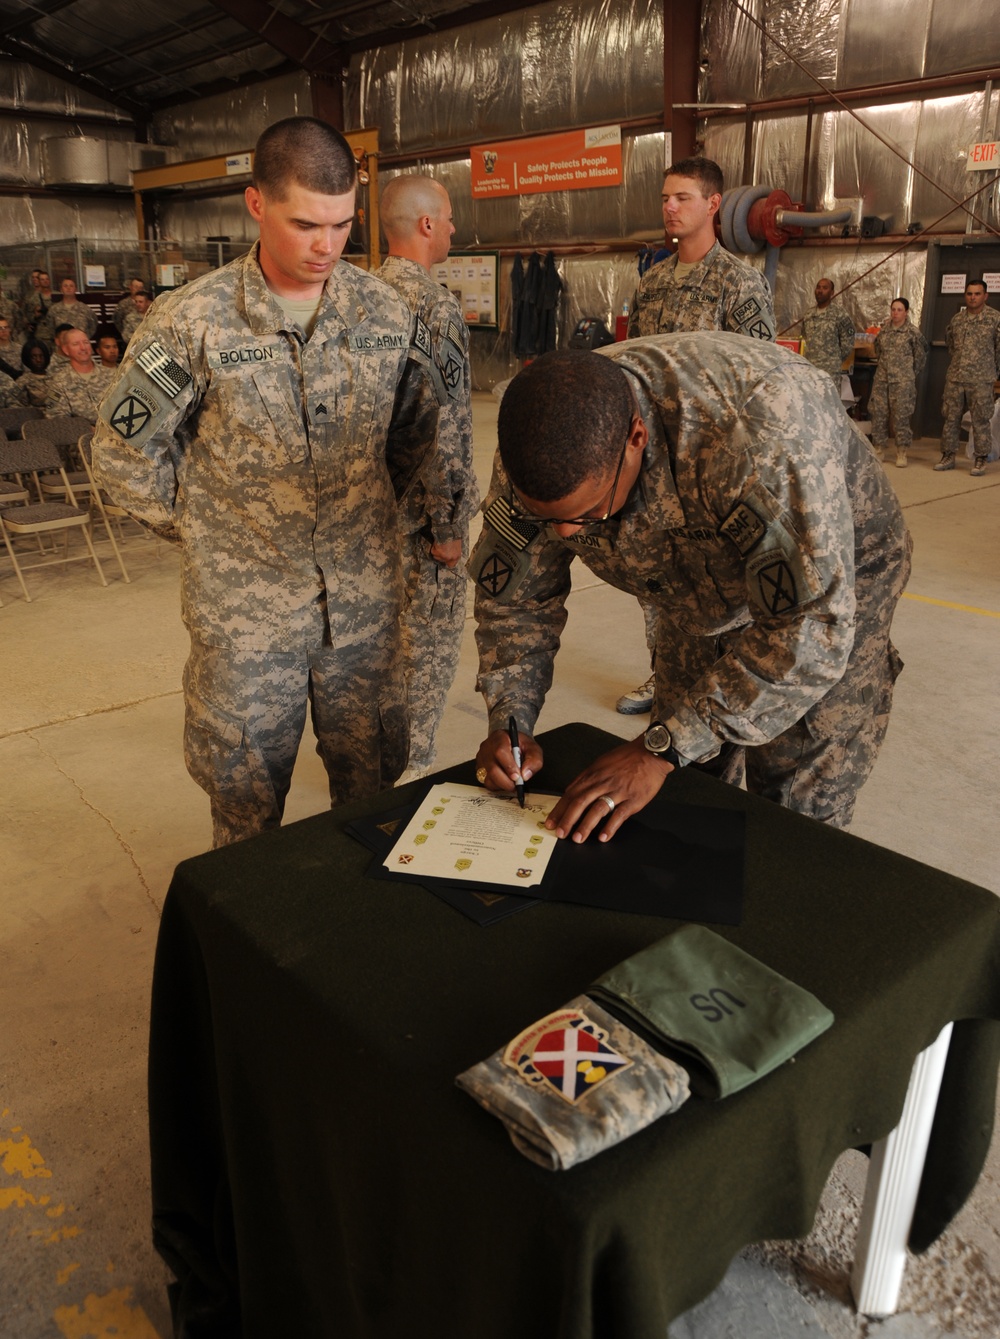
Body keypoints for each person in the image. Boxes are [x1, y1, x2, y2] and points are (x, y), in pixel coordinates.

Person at [93, 116, 445, 848]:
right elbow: (122, 457)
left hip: (365, 611)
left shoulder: (385, 309)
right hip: (248, 627)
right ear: (256, 204)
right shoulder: (190, 322)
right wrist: (208, 530)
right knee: (248, 817)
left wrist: (394, 525)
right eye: (306, 224)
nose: (327, 246)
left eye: (343, 224)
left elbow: (417, 435)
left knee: (376, 801)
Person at [472, 337, 911, 839]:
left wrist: (658, 747)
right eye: (550, 519)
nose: (568, 535)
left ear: (636, 437)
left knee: (795, 801)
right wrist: (511, 719)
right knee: (688, 785)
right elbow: (515, 600)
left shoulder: (756, 430)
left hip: (834, 578)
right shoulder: (536, 446)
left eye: (589, 512)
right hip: (696, 589)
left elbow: (811, 628)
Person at [620, 156, 777, 716]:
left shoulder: (739, 282)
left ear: (713, 204)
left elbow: (761, 382)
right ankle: (662, 674)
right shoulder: (654, 282)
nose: (669, 207)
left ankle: (721, 690)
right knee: (656, 578)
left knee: (720, 585)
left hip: (714, 465)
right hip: (653, 460)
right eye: (665, 197)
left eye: (682, 197)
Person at [376, 174, 480, 779]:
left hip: (363, 517)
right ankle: (410, 769)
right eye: (446, 217)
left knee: (375, 643)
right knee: (428, 644)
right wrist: (447, 524)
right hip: (420, 521)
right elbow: (447, 426)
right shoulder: (431, 305)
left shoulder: (354, 293)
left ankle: (369, 757)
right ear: (424, 225)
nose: (452, 227)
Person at [936, 279, 1000, 477]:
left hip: (981, 379)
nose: (973, 297)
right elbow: (951, 346)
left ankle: (980, 458)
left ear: (985, 296)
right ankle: (948, 455)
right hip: (956, 377)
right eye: (970, 293)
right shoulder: (957, 319)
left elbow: (998, 349)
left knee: (980, 419)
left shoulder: (994, 319)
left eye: (977, 293)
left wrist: (991, 371)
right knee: (950, 418)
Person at [869, 298, 928, 468]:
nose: (895, 313)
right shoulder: (883, 332)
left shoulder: (913, 333)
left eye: (899, 310)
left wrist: (908, 374)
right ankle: (879, 448)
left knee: (901, 416)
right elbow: (878, 351)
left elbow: (921, 357)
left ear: (906, 312)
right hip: (882, 379)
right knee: (879, 414)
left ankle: (901, 451)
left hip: (903, 381)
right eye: (893, 309)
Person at [45, 326, 116, 420]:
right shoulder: (58, 383)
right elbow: (56, 419)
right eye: (76, 344)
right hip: (82, 433)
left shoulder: (112, 375)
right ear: (66, 350)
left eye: (86, 342)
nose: (83, 348)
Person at [800, 278, 855, 382]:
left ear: (832, 293)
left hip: (830, 371)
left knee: (830, 398)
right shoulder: (808, 314)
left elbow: (848, 340)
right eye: (818, 287)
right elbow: (804, 337)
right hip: (810, 369)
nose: (820, 290)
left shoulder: (839, 314)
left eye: (825, 288)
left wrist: (835, 359)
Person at [36, 277, 97, 345]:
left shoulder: (85, 309)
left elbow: (93, 327)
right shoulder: (54, 310)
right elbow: (50, 329)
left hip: (81, 347)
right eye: (65, 286)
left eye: (71, 286)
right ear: (61, 290)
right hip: (61, 348)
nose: (68, 288)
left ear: (75, 289)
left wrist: (82, 339)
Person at [17, 339, 50, 408]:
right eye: (34, 357)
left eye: (41, 356)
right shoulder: (22, 382)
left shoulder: (57, 377)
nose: (38, 360)